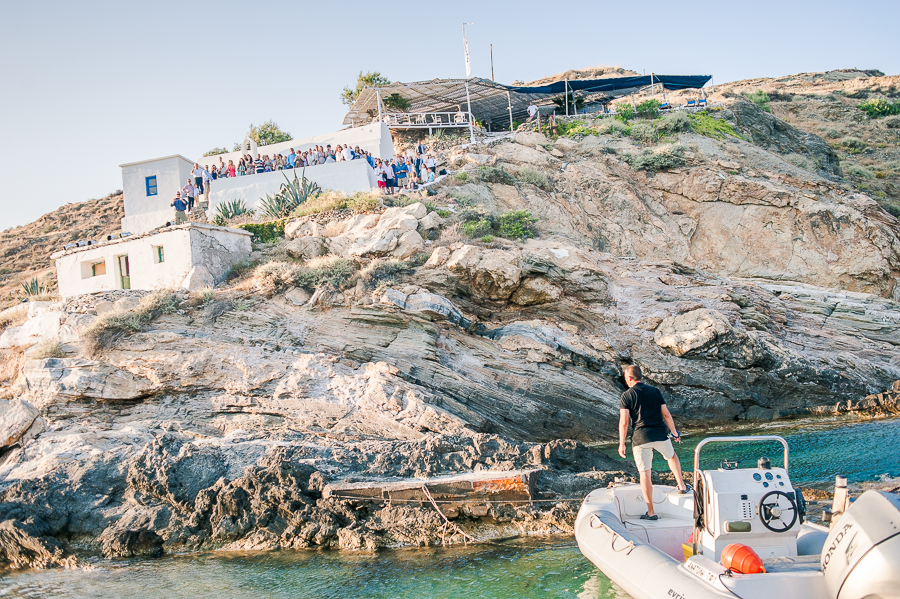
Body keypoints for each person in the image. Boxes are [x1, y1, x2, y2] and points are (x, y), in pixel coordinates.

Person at [618, 365, 689, 520]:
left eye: (625, 378)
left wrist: (621, 443)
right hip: (659, 434)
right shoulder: (655, 391)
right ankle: (682, 486)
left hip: (640, 438)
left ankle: (651, 512)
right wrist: (675, 432)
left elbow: (624, 422)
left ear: (630, 378)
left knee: (645, 474)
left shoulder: (626, 395)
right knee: (672, 457)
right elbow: (666, 414)